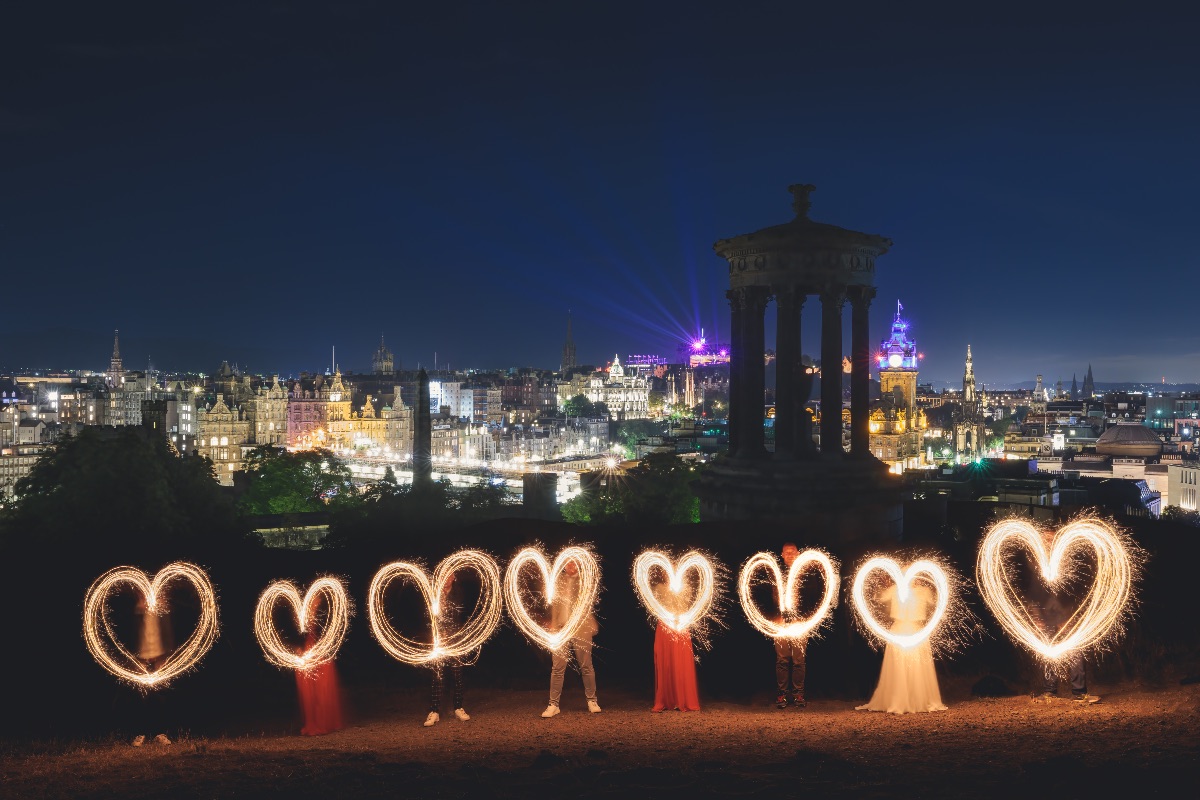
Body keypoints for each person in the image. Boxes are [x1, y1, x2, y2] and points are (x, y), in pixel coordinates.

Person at [855, 581, 947, 714]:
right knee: (903, 667)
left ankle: (912, 700)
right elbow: (878, 598)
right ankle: (909, 700)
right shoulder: (899, 589)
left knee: (913, 667)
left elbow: (936, 603)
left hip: (913, 631)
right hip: (905, 631)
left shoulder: (918, 590)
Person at [541, 558, 601, 717]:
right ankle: (553, 704)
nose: (570, 565)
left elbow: (589, 602)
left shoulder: (585, 580)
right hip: (561, 628)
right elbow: (555, 604)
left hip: (581, 628)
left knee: (586, 665)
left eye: (574, 562)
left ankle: (592, 700)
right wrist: (553, 625)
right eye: (567, 562)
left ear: (580, 564)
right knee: (557, 667)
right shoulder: (558, 581)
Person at [1029, 572, 1100, 704]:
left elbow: (1074, 594)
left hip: (1066, 620)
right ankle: (1049, 692)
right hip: (1047, 620)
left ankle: (1079, 694)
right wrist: (1037, 618)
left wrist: (1067, 618)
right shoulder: (1038, 570)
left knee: (1075, 653)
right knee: (1049, 654)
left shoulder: (1069, 571)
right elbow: (1034, 596)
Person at [425, 573, 471, 727]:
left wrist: (453, 635)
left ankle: (458, 707)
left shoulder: (459, 593)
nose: (446, 578)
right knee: (437, 676)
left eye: (449, 575)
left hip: (455, 640)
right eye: (444, 575)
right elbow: (430, 616)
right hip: (439, 640)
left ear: (454, 577)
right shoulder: (434, 593)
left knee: (457, 675)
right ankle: (434, 711)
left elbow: (458, 614)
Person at [131, 592, 176, 746]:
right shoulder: (137, 613)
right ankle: (140, 734)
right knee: (141, 698)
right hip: (141, 659)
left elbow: (168, 634)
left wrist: (165, 657)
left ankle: (160, 734)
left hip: (159, 658)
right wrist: (138, 610)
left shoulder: (162, 612)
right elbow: (130, 634)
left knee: (160, 698)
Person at [295, 597, 345, 736]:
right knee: (312, 692)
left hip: (319, 658)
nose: (313, 606)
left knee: (320, 691)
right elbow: (299, 637)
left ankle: (322, 723)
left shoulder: (321, 617)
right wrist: (299, 652)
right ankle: (314, 723)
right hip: (309, 657)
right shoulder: (302, 619)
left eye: (316, 603)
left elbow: (327, 637)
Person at [651, 580, 700, 712]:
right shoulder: (659, 588)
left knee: (680, 663)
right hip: (665, 628)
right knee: (666, 663)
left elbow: (684, 606)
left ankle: (681, 699)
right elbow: (657, 607)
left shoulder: (687, 588)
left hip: (680, 627)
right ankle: (667, 699)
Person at [774, 542, 807, 709]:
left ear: (798, 553)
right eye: (786, 552)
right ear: (782, 555)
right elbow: (769, 598)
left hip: (800, 623)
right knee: (782, 660)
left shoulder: (806, 573)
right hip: (780, 624)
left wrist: (802, 618)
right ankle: (782, 695)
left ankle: (798, 694)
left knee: (799, 660)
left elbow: (813, 597)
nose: (790, 555)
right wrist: (776, 617)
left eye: (793, 552)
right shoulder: (776, 573)